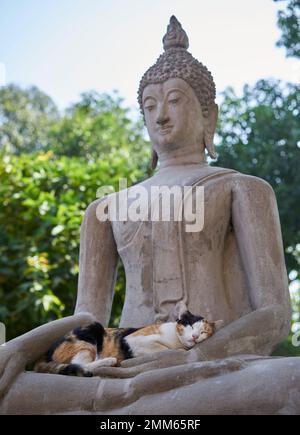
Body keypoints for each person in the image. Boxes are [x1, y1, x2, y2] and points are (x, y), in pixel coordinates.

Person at [0, 16, 294, 415]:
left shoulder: (241, 188)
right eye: (149, 105)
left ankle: (133, 400)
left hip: (209, 369)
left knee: (292, 381)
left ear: (210, 116)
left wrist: (187, 360)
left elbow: (274, 316)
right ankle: (122, 397)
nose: (161, 116)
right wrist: (19, 348)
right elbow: (87, 316)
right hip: (117, 366)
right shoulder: (104, 209)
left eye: (175, 100)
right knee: (11, 388)